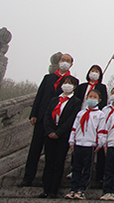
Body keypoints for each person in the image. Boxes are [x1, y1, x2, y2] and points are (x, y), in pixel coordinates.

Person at [21, 53, 74, 187]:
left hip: (57, 122)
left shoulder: (71, 82)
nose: (65, 63)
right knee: (34, 150)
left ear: (71, 64)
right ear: (58, 62)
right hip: (41, 119)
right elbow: (39, 96)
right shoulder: (48, 78)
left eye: (68, 61)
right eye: (63, 60)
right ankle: (28, 178)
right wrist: (34, 114)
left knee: (53, 155)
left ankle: (49, 182)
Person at [39, 75, 82, 198]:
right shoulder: (54, 100)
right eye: (65, 82)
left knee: (58, 162)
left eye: (70, 83)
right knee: (49, 163)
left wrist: (58, 132)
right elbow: (47, 116)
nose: (67, 85)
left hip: (63, 136)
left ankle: (53, 189)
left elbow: (71, 120)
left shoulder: (76, 102)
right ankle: (45, 189)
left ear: (74, 86)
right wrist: (50, 131)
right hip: (49, 135)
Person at [66, 89, 105, 200]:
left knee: (87, 169)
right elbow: (74, 128)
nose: (91, 99)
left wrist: (99, 144)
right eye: (90, 96)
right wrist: (72, 142)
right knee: (76, 168)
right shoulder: (81, 113)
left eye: (94, 97)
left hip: (90, 144)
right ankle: (73, 189)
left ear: (99, 100)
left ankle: (81, 190)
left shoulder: (100, 114)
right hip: (78, 143)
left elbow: (101, 130)